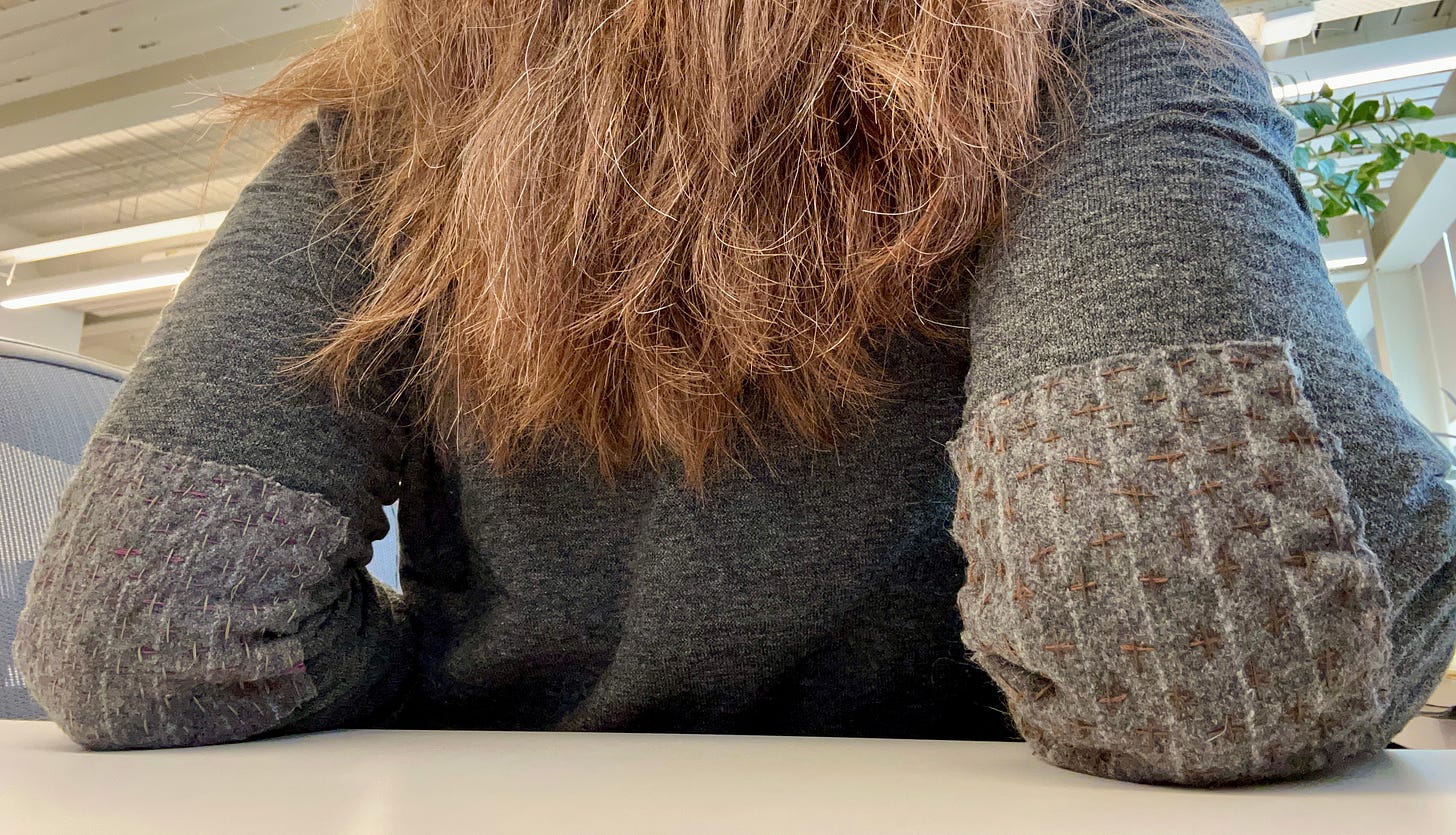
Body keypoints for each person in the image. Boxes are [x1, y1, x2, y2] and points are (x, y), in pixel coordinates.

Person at [12, 0, 1455, 787]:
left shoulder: (395, 115)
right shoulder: (1105, 44)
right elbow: (1211, 645)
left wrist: (447, 667)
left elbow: (156, 625)